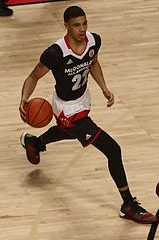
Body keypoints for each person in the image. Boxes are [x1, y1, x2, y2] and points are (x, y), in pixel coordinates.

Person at [19, 6, 157, 224]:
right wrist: (24, 100)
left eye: (84, 23)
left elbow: (93, 63)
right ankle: (128, 204)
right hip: (66, 108)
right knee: (113, 149)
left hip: (83, 99)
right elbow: (33, 76)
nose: (82, 29)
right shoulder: (55, 53)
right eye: (76, 25)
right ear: (66, 26)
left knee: (70, 133)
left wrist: (104, 87)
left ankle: (35, 143)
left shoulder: (94, 41)